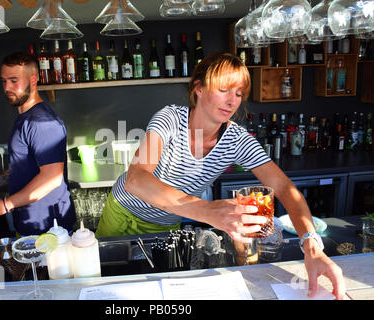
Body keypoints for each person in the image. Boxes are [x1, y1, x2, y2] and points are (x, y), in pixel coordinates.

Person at [95, 52, 345, 299]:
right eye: (224, 89)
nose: (232, 101)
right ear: (199, 89)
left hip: (168, 223)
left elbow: (285, 188)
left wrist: (312, 245)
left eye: (238, 94)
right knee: (107, 283)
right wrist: (206, 210)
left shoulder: (236, 140)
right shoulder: (169, 119)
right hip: (123, 213)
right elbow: (136, 179)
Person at [0, 52, 76, 236]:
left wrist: (6, 205)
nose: (7, 88)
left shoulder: (42, 123)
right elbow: (23, 166)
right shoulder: (25, 118)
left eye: (14, 80)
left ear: (33, 80)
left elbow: (52, 178)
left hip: (49, 228)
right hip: (30, 223)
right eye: (4, 81)